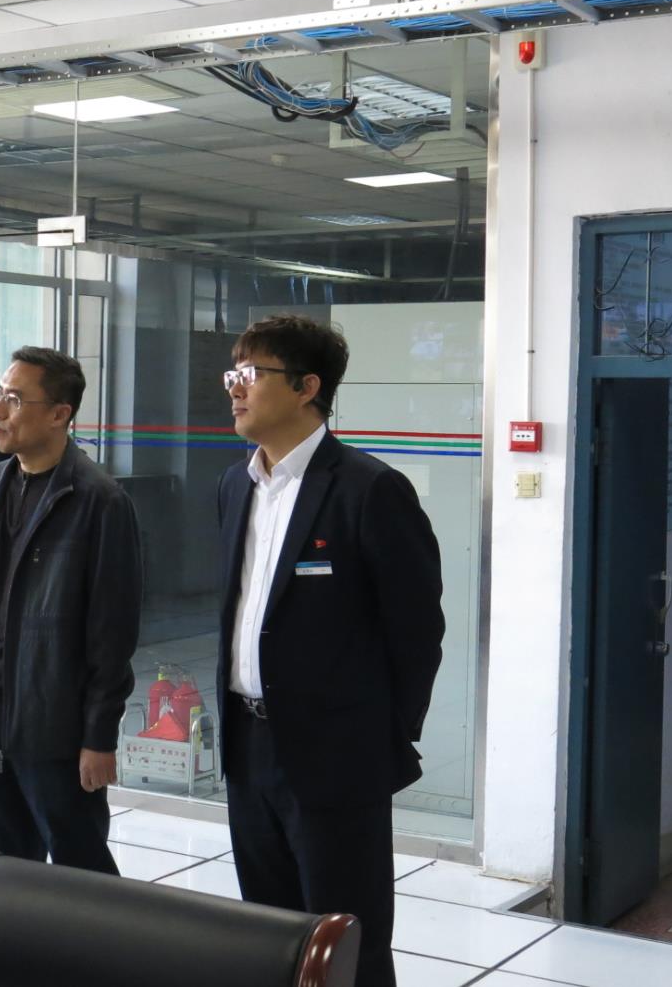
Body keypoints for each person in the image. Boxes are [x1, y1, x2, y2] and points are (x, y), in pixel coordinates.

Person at [216, 314, 443, 987]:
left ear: (307, 387)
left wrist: (381, 737)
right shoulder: (235, 485)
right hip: (248, 747)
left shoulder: (369, 490)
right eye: (233, 375)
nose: (235, 389)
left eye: (251, 374)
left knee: (346, 943)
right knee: (268, 936)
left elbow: (416, 632)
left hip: (337, 756)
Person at [0, 347, 141, 874]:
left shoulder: (99, 500)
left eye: (13, 399)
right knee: (3, 865)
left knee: (80, 870)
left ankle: (95, 938)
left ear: (59, 414)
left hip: (55, 724)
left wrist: (99, 735)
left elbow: (112, 634)